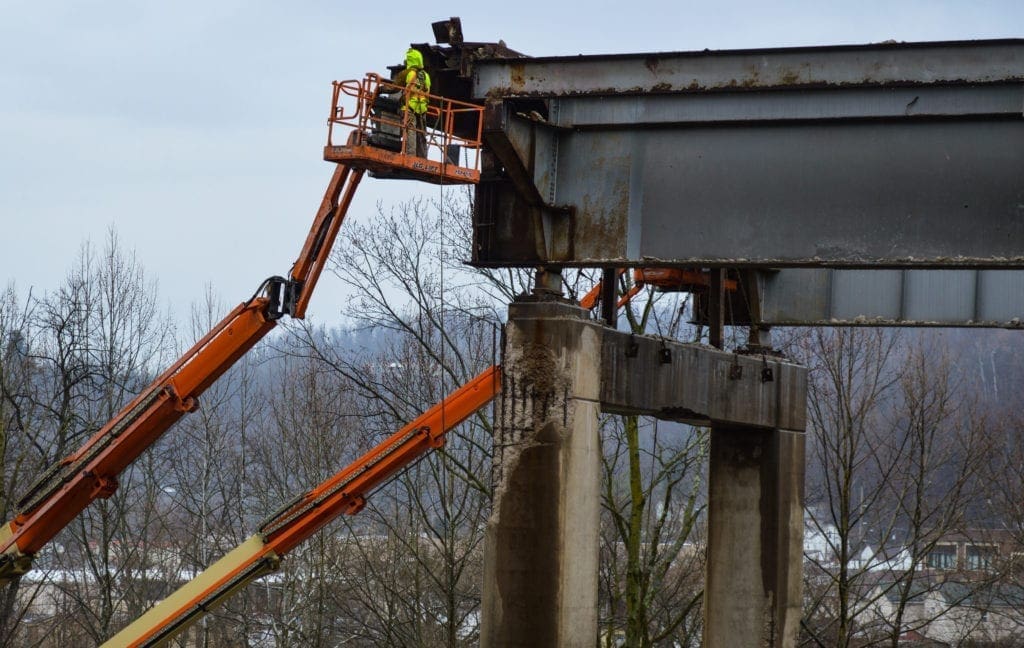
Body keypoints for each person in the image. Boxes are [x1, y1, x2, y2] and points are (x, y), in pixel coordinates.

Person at [400, 47, 431, 157]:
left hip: (410, 107)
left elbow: (407, 90)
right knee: (422, 133)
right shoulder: (426, 76)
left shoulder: (410, 74)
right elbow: (427, 93)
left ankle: (411, 155)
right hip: (422, 109)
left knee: (411, 131)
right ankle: (423, 157)